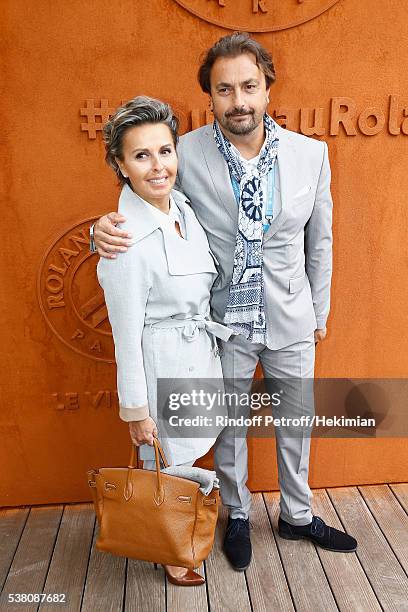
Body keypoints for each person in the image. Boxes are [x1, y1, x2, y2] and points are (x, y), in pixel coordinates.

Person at [93, 33, 357, 571]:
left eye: (248, 87)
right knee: (230, 424)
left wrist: (319, 314)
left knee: (296, 420)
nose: (238, 100)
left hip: (291, 315)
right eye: (224, 89)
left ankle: (298, 515)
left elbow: (320, 241)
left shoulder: (312, 155)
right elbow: (148, 198)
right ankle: (236, 515)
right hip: (221, 324)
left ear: (266, 89)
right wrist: (101, 231)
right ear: (210, 96)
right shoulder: (182, 151)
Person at [97, 95, 231, 586]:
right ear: (120, 164)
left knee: (187, 456)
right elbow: (125, 335)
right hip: (159, 363)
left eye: (165, 151)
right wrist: (136, 410)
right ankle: (169, 547)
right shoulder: (123, 240)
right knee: (165, 460)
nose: (158, 167)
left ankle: (180, 528)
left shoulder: (184, 208)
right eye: (141, 155)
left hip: (197, 354)